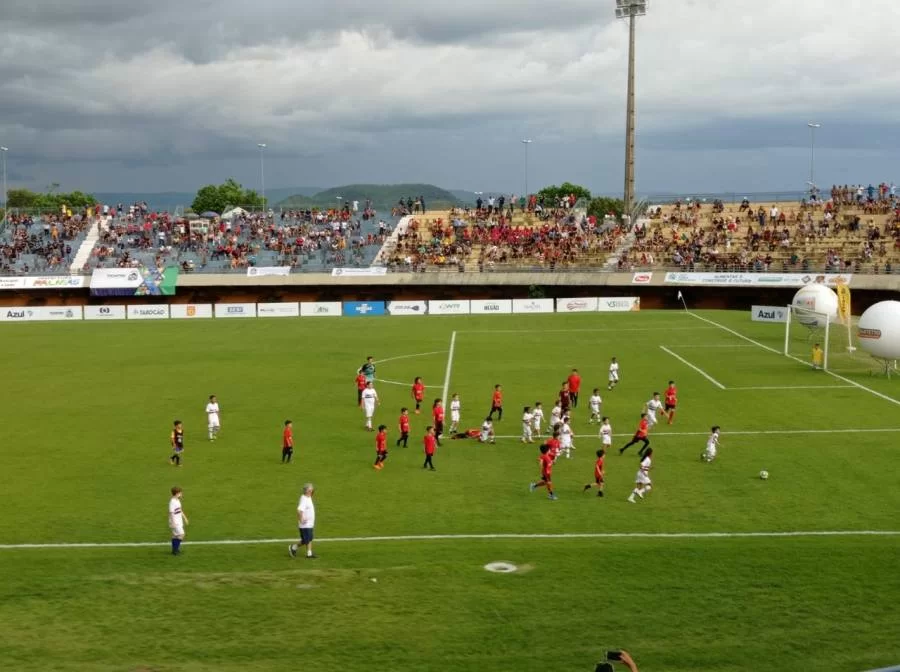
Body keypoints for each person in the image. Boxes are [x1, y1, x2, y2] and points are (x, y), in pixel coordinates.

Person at [289, 483, 317, 559]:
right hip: (305, 524)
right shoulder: (304, 499)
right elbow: (299, 510)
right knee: (306, 539)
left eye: (312, 490)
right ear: (307, 491)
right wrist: (301, 520)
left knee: (309, 538)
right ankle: (294, 547)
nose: (312, 491)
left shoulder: (308, 497)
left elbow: (312, 492)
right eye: (310, 490)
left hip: (309, 524)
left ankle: (309, 553)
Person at [168, 486, 188, 556]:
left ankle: (174, 550)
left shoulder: (177, 500)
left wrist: (185, 517)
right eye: (180, 493)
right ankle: (175, 550)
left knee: (175, 536)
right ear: (176, 493)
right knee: (182, 534)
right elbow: (171, 513)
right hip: (175, 521)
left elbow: (180, 509)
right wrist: (173, 523)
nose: (181, 494)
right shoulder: (172, 502)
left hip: (179, 520)